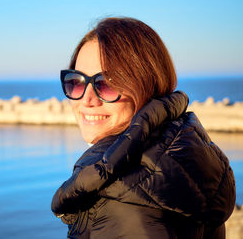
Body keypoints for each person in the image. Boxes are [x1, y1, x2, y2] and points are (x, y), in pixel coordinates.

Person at [51, 17, 236, 238]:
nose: (87, 100)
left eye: (108, 83)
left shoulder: (120, 198)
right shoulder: (184, 158)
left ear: (148, 84)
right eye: (77, 82)